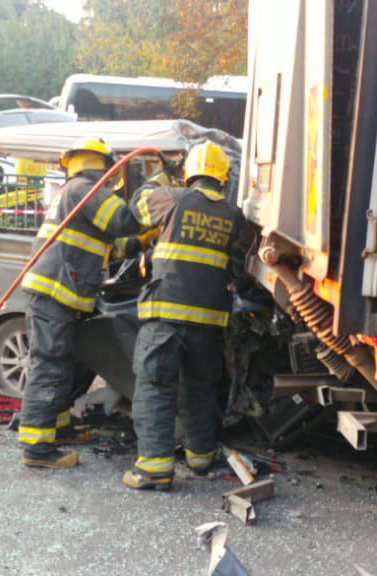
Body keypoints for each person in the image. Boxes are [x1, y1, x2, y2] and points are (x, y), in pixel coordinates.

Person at [122, 141, 249, 491]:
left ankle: (154, 470)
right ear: (223, 180)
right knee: (199, 388)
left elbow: (137, 206)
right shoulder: (234, 215)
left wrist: (161, 175)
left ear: (189, 174)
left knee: (155, 386)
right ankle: (200, 456)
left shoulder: (174, 198)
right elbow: (237, 268)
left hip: (166, 315)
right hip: (209, 322)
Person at [18, 138, 142, 469]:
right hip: (55, 293)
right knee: (51, 363)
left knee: (70, 362)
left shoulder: (75, 193)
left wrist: (140, 241)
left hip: (59, 293)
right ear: (102, 166)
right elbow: (122, 222)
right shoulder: (84, 189)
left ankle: (57, 427)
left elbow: (112, 243)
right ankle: (36, 448)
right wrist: (153, 197)